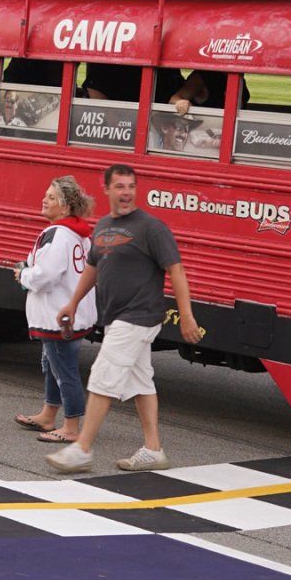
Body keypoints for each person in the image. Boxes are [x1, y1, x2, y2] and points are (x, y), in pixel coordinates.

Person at [45, 164, 203, 473]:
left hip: (139, 316)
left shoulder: (151, 228)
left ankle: (82, 449)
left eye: (131, 186)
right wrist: (73, 303)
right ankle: (153, 450)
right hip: (117, 317)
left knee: (102, 378)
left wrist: (186, 315)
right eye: (120, 186)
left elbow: (176, 270)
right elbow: (93, 267)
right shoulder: (103, 226)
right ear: (106, 189)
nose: (127, 192)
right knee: (141, 381)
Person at [15, 176, 97, 445]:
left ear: (65, 206)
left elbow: (46, 275)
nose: (44, 200)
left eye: (51, 197)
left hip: (57, 315)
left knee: (64, 370)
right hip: (73, 314)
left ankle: (71, 426)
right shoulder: (79, 234)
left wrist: (24, 276)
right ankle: (48, 414)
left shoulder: (58, 234)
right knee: (53, 365)